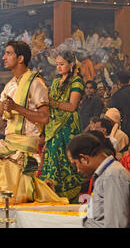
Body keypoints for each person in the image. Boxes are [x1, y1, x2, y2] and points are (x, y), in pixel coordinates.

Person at [0, 41, 67, 205]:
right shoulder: (10, 85)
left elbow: (44, 118)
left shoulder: (35, 83)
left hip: (25, 145)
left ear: (20, 58)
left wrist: (17, 107)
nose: (3, 57)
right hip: (8, 143)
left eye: (8, 53)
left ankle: (38, 190)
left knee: (6, 195)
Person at [67, 133, 130, 228]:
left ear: (84, 158)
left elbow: (116, 224)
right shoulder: (107, 174)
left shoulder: (113, 176)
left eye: (75, 164)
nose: (78, 170)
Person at [41, 50, 85, 203]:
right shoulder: (54, 82)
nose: (58, 67)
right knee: (52, 158)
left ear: (71, 65)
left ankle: (69, 197)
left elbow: (72, 106)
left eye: (62, 64)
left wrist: (53, 103)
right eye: (57, 64)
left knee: (67, 160)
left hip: (68, 127)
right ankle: (52, 195)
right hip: (53, 126)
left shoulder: (76, 81)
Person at [109, 70, 130, 136]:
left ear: (118, 82)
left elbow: (112, 114)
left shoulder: (117, 95)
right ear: (129, 80)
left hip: (125, 127)